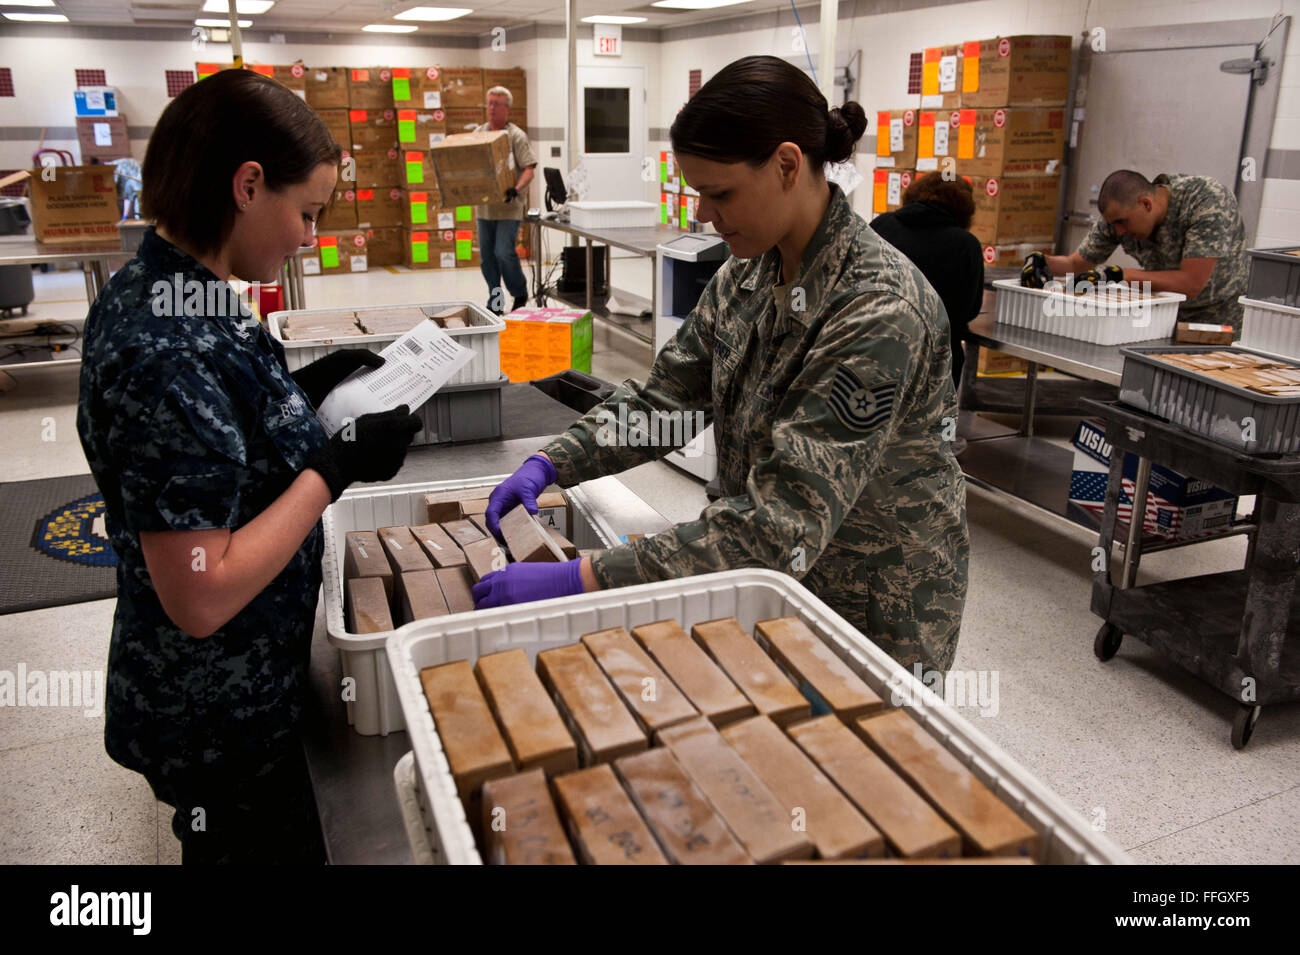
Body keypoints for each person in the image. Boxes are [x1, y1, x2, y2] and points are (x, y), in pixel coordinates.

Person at [473, 56, 969, 675]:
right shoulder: (746, 275)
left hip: (869, 611)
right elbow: (668, 406)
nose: (703, 214)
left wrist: (587, 576)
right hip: (762, 587)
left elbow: (777, 527)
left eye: (720, 193)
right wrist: (555, 461)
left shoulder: (877, 311)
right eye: (697, 191)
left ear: (788, 165)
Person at [76, 68, 421, 864]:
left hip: (247, 687)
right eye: (305, 212)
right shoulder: (160, 351)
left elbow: (222, 427)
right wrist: (332, 470)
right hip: (212, 711)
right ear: (247, 184)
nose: (308, 236)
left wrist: (312, 383)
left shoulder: (177, 287)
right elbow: (201, 591)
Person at [1025, 169, 1248, 331]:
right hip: (1163, 320)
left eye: (1123, 223)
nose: (1119, 232)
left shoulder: (1204, 200)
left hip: (1217, 324)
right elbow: (1076, 264)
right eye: (1114, 225)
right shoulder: (1117, 218)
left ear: (1146, 204)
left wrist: (1119, 276)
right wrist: (1041, 261)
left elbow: (1191, 284)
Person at [870, 172, 984, 388]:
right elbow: (968, 309)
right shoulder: (965, 245)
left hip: (875, 345)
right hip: (934, 360)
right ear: (964, 209)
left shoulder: (882, 225)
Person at [475, 85, 537, 315]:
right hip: (485, 209)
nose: (491, 108)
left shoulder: (516, 136)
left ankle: (519, 293)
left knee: (503, 253)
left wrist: (516, 189)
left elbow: (529, 168)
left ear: (507, 109)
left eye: (496, 104)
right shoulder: (479, 133)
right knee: (487, 259)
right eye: (489, 103)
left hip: (509, 208)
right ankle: (496, 301)